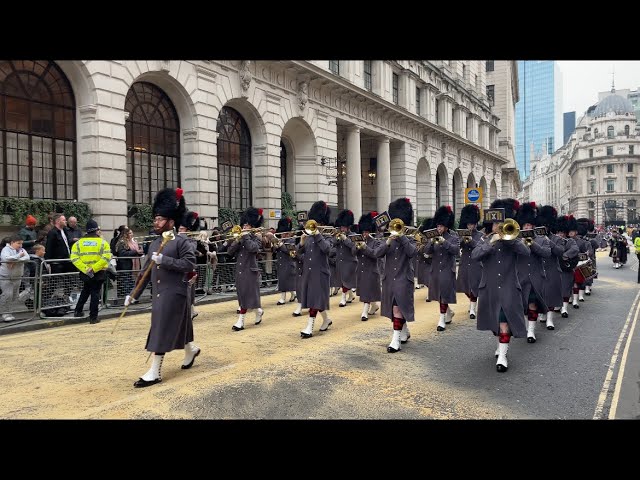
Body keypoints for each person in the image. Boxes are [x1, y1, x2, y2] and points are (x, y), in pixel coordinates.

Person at [125, 187, 198, 388]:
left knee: (160, 328)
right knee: (176, 326)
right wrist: (134, 294)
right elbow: (146, 271)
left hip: (175, 292)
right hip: (160, 292)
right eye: (155, 219)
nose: (155, 223)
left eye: (159, 219)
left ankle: (155, 371)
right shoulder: (154, 242)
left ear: (171, 222)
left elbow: (189, 265)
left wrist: (165, 260)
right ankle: (190, 349)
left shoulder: (182, 242)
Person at [471, 199, 530, 372]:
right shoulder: (485, 239)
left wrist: (510, 240)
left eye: (500, 223)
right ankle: (500, 344)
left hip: (509, 287)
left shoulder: (513, 240)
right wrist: (491, 242)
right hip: (489, 288)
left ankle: (503, 356)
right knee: (496, 323)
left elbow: (526, 252)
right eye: (495, 223)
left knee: (505, 322)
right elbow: (475, 255)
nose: (498, 226)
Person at [375, 198, 417, 352]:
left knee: (397, 309)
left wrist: (403, 237)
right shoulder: (388, 238)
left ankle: (395, 340)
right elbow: (376, 254)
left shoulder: (411, 236)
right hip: (389, 279)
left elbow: (412, 252)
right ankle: (403, 331)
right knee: (396, 308)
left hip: (403, 278)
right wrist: (387, 242)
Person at [515, 202, 551, 343]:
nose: (528, 227)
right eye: (525, 225)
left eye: (530, 225)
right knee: (522, 305)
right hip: (520, 277)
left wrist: (532, 243)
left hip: (536, 277)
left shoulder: (542, 239)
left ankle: (531, 331)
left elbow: (547, 253)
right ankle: (525, 325)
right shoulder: (516, 239)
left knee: (533, 304)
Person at [228, 207, 269, 331]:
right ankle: (258, 311)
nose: (245, 227)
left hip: (251, 271)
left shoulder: (257, 237)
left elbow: (253, 248)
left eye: (247, 225)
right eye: (244, 225)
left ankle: (241, 321)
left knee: (247, 295)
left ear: (252, 226)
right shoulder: (241, 238)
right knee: (243, 295)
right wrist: (238, 240)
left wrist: (245, 237)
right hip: (240, 270)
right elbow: (230, 252)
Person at [298, 201, 334, 338]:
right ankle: (326, 319)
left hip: (320, 272)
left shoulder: (328, 234)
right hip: (309, 272)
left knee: (315, 299)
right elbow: (299, 254)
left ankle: (309, 327)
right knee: (315, 299)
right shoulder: (308, 236)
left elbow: (328, 250)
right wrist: (301, 243)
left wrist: (318, 234)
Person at [70, 220, 111, 324]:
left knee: (86, 290)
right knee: (95, 293)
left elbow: (74, 258)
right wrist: (94, 268)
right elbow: (106, 257)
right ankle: (93, 317)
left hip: (85, 272)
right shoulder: (103, 242)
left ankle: (78, 311)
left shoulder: (78, 243)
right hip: (98, 271)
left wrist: (85, 268)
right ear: (97, 230)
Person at [426, 205, 460, 332]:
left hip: (447, 269)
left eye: (441, 226)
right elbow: (427, 252)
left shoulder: (454, 237)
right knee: (438, 295)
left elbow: (456, 251)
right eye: (438, 226)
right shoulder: (433, 236)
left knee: (443, 294)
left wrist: (444, 242)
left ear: (446, 226)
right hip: (435, 269)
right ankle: (449, 312)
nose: (439, 228)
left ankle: (441, 319)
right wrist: (430, 242)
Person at [455, 204, 483, 320]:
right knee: (465, 287)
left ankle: (472, 308)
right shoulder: (462, 233)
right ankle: (472, 303)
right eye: (468, 224)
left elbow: (480, 247)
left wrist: (471, 241)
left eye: (472, 224)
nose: (470, 226)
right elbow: (457, 247)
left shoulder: (480, 235)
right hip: (465, 262)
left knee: (474, 286)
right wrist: (462, 240)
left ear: (476, 224)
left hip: (476, 263)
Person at [355, 211, 382, 321]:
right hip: (361, 270)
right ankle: (374, 305)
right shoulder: (359, 240)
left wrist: (365, 247)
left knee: (366, 293)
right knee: (366, 291)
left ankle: (364, 312)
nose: (364, 234)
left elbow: (375, 254)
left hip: (371, 270)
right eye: (363, 232)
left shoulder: (376, 242)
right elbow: (353, 252)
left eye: (366, 232)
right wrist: (357, 246)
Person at [0, 235, 30, 321]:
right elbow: (6, 258)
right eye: (18, 243)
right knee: (7, 295)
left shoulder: (22, 250)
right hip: (6, 276)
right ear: (12, 243)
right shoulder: (6, 250)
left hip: (17, 276)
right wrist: (19, 256)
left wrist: (15, 260)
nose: (20, 245)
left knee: (14, 296)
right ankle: (5, 314)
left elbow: (27, 258)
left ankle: (8, 311)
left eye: (21, 243)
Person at [332, 209, 358, 307]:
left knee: (346, 279)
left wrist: (345, 239)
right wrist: (337, 238)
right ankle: (350, 295)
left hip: (350, 261)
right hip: (340, 261)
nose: (342, 229)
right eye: (341, 227)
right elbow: (332, 244)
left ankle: (343, 298)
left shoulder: (353, 235)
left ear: (348, 227)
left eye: (344, 227)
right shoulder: (338, 235)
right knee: (344, 280)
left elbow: (353, 247)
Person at [274, 217, 297, 305]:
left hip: (289, 264)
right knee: (284, 281)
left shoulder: (292, 240)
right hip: (281, 264)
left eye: (285, 233)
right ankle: (293, 294)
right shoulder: (280, 240)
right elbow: (275, 251)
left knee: (286, 281)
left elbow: (291, 252)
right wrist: (275, 246)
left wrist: (281, 245)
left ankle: (283, 298)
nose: (283, 235)